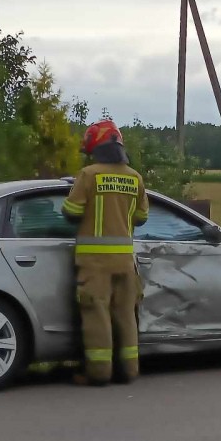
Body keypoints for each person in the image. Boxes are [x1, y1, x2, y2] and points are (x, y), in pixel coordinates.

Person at [61, 119, 149, 386]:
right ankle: (129, 371)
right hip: (125, 261)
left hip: (95, 263)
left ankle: (99, 374)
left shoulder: (89, 175)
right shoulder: (135, 177)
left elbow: (72, 212)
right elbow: (142, 216)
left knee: (96, 314)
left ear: (96, 148)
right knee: (125, 315)